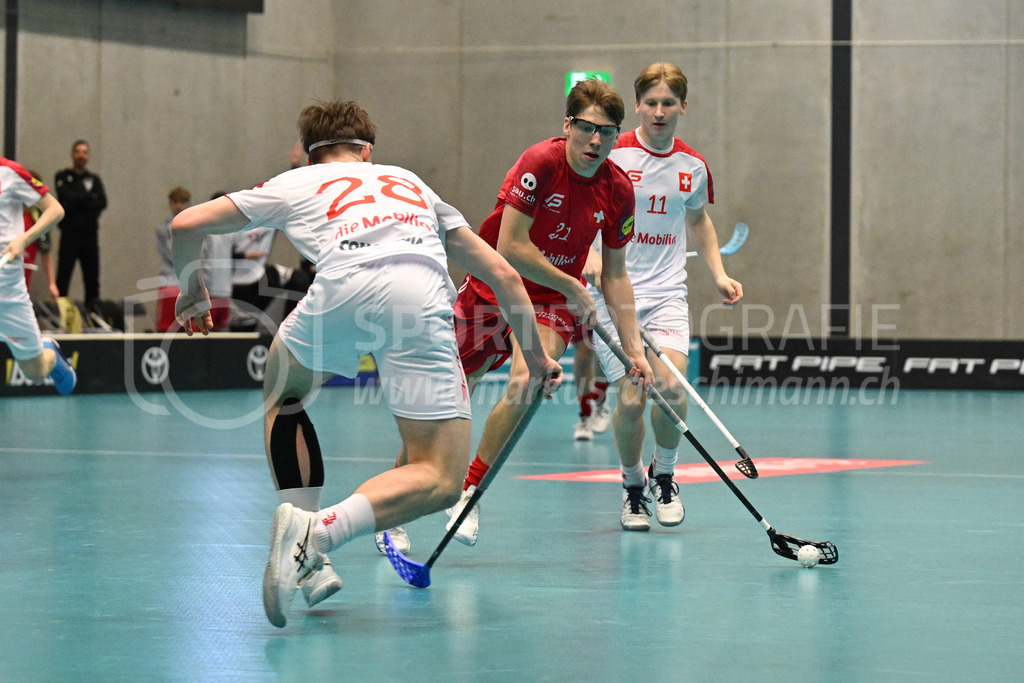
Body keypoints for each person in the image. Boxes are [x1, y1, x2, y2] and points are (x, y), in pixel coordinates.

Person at [171, 99, 562, 628]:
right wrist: (536, 360)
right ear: (368, 151)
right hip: (418, 298)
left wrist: (192, 288)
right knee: (440, 478)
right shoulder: (411, 183)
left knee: (284, 395)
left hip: (340, 287)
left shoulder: (296, 183)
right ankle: (319, 535)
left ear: (311, 157)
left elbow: (186, 223)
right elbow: (503, 274)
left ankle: (308, 540)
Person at [381, 78, 654, 550]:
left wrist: (634, 351)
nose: (595, 141)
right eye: (586, 128)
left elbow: (615, 276)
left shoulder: (618, 191)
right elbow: (510, 246)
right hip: (494, 286)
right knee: (445, 398)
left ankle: (468, 490)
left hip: (549, 302)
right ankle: (394, 506)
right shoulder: (540, 163)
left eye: (607, 132)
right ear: (567, 125)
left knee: (529, 380)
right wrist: (571, 282)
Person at [594, 63, 743, 532]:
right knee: (634, 397)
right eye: (651, 102)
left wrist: (718, 273)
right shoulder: (611, 153)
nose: (659, 112)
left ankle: (665, 475)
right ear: (637, 104)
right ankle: (633, 486)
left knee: (672, 388)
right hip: (609, 294)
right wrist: (589, 257)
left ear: (683, 106)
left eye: (668, 103)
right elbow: (586, 209)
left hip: (665, 294)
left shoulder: (692, 166)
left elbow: (699, 221)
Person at [0, 157, 76, 394]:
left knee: (35, 371)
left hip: (7, 289)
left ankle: (50, 354)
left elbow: (55, 210)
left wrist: (22, 239)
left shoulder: (10, 172)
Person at [54, 139, 107, 312]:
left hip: (90, 236)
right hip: (69, 235)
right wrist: (89, 198)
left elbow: (102, 202)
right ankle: (61, 315)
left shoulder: (94, 179)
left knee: (92, 279)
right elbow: (66, 196)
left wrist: (77, 202)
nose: (81, 155)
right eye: (78, 151)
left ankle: (93, 316)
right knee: (63, 276)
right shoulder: (62, 176)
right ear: (72, 154)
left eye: (85, 152)